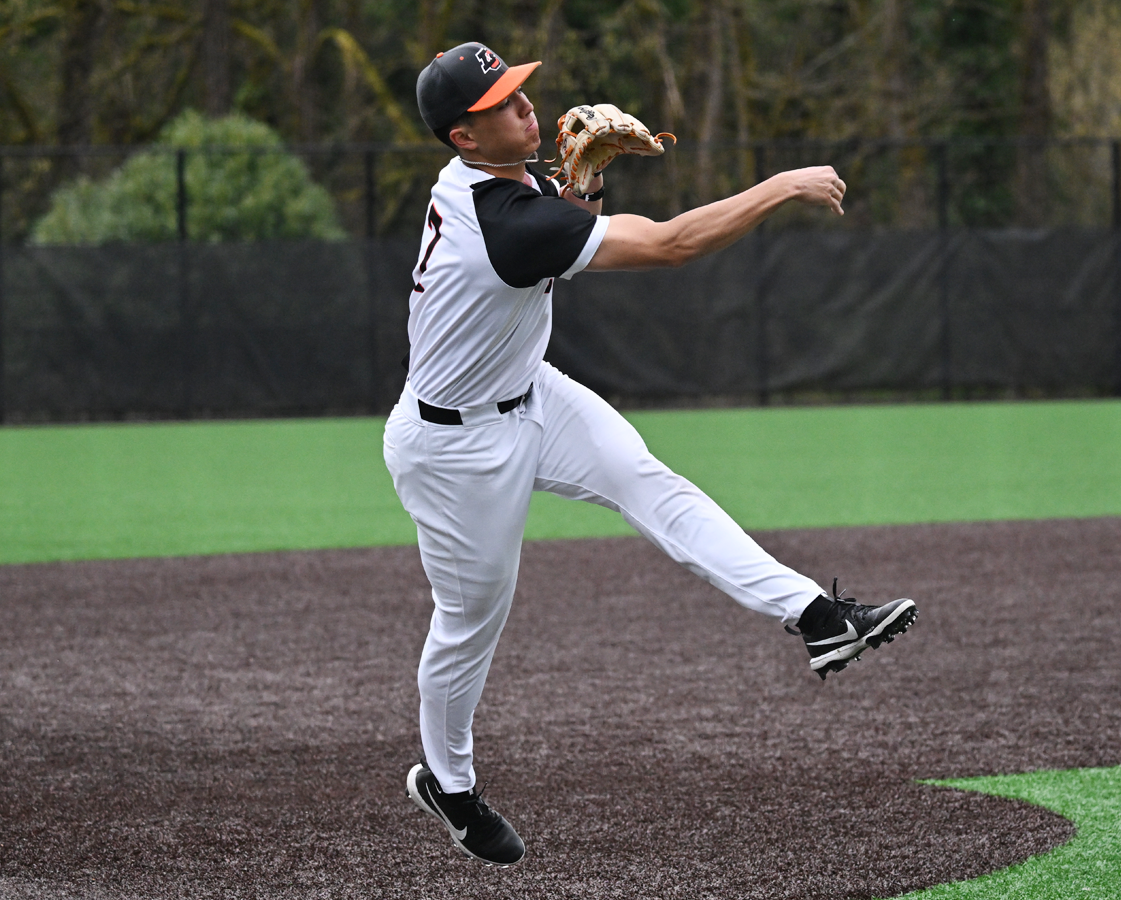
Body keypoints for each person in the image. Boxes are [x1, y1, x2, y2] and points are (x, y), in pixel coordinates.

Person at [390, 42, 918, 867]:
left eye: (520, 90)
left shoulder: (502, 187)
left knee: (650, 481)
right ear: (463, 136)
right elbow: (670, 245)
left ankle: (820, 618)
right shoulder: (506, 220)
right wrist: (781, 186)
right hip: (456, 452)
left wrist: (585, 184)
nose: (525, 105)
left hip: (530, 390)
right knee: (469, 626)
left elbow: (559, 231)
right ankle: (449, 787)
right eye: (501, 103)